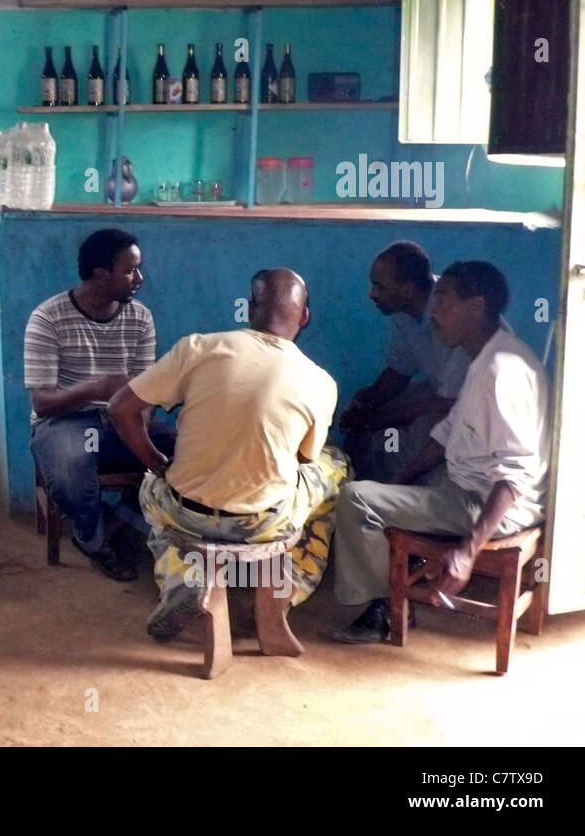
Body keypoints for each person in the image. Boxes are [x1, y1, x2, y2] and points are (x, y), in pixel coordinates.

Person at [108, 269, 350, 639]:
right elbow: (305, 458)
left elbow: (120, 408)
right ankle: (286, 592)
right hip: (264, 521)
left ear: (250, 308)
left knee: (150, 491)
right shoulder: (320, 382)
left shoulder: (198, 348)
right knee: (337, 466)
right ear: (304, 317)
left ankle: (182, 579)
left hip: (187, 512)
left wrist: (158, 464)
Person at [331, 260, 550, 644]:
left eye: (444, 302)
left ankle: (386, 607)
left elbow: (514, 475)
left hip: (488, 503)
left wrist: (467, 550)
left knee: (354, 498)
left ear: (477, 307)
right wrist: (401, 481)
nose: (434, 312)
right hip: (466, 483)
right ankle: (403, 567)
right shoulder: (486, 355)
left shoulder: (501, 371)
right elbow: (447, 433)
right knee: (384, 477)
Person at [25, 228, 176, 582]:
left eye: (138, 269)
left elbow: (146, 393)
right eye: (130, 271)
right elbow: (43, 403)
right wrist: (98, 387)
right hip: (64, 421)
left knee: (189, 451)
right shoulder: (48, 318)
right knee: (70, 466)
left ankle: (116, 521)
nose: (139, 278)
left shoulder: (140, 317)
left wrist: (133, 422)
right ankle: (93, 540)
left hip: (123, 419)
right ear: (100, 274)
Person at [338, 241, 468, 482]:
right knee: (376, 410)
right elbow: (399, 371)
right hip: (439, 394)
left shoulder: (453, 315)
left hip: (466, 410)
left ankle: (400, 490)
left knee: (419, 433)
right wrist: (364, 402)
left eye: (379, 286)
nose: (372, 294)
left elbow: (444, 402)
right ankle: (363, 482)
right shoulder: (404, 312)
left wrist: (372, 421)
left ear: (407, 289)